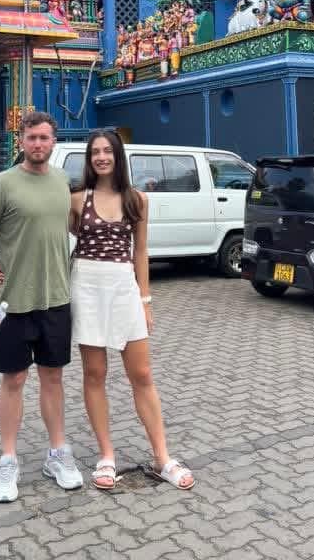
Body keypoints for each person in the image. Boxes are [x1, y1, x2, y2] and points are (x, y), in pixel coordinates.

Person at [69, 128, 194, 492]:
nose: (102, 157)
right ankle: (106, 456)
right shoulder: (77, 200)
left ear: (118, 156)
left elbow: (141, 252)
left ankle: (162, 458)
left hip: (124, 288)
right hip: (87, 287)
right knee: (94, 373)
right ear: (89, 159)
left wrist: (145, 300)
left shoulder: (137, 200)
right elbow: (57, 238)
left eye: (108, 151)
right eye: (95, 152)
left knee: (141, 374)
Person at [0, 111, 83, 504]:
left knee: (53, 379)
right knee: (13, 380)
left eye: (45, 138)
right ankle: (8, 460)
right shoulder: (2, 184)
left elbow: (77, 228)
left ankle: (57, 454)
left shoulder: (62, 183)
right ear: (21, 141)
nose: (38, 144)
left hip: (56, 300)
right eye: (32, 138)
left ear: (54, 142)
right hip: (12, 303)